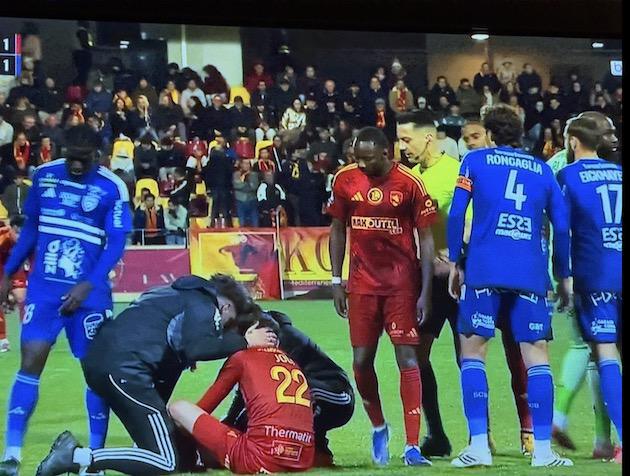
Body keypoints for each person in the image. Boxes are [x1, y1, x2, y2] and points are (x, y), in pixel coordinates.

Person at [35, 274, 276, 476]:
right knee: (166, 461)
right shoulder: (205, 304)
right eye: (227, 324)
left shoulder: (170, 294)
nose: (222, 330)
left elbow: (170, 350)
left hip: (109, 365)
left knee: (156, 447)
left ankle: (91, 457)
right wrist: (245, 342)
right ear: (226, 307)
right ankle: (75, 456)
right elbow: (198, 347)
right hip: (124, 370)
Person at [0, 125, 132, 476]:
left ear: (98, 156)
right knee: (30, 361)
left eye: (83, 160)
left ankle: (95, 458)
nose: (76, 165)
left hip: (90, 296)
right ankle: (12, 453)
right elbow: (31, 229)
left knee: (95, 373)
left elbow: (116, 243)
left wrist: (89, 284)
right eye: (71, 158)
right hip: (44, 289)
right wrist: (8, 272)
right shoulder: (44, 176)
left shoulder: (112, 187)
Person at [446, 105, 572, 468]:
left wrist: (455, 260)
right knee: (537, 359)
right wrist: (563, 274)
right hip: (530, 272)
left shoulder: (474, 161)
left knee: (473, 353)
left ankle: (479, 446)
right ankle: (543, 451)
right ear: (520, 133)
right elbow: (562, 226)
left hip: (484, 269)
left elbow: (456, 214)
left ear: (488, 134)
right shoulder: (542, 169)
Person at [327, 126, 437, 466]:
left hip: (401, 286)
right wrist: (336, 280)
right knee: (361, 362)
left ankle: (412, 446)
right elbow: (337, 229)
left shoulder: (410, 183)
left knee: (408, 358)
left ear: (386, 153)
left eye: (368, 159)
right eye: (357, 158)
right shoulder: (344, 179)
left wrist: (425, 291)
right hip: (361, 286)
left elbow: (426, 240)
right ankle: (378, 426)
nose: (362, 165)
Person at [549, 112, 621, 459]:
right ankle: (604, 440)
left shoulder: (566, 174)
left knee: (601, 353)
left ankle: (610, 439)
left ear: (573, 141)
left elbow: (561, 229)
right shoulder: (620, 173)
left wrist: (562, 274)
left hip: (593, 274)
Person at [168, 312, 315, 474]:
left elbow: (204, 408)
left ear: (248, 333)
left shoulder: (241, 357)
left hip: (260, 458)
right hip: (302, 459)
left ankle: (177, 458)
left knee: (179, 408)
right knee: (219, 441)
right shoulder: (292, 362)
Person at [0, 215, 28, 353]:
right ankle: (2, 339)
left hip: (15, 266)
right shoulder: (2, 238)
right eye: (16, 232)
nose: (19, 236)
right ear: (10, 228)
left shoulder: (30, 237)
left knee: (22, 297)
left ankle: (29, 335)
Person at [233, 159, 260, 227]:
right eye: (245, 163)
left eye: (248, 163)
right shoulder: (236, 174)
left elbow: (254, 187)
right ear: (241, 164)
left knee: (255, 223)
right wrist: (245, 183)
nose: (246, 165)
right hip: (240, 201)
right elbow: (236, 185)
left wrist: (242, 184)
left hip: (252, 201)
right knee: (242, 223)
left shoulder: (254, 174)